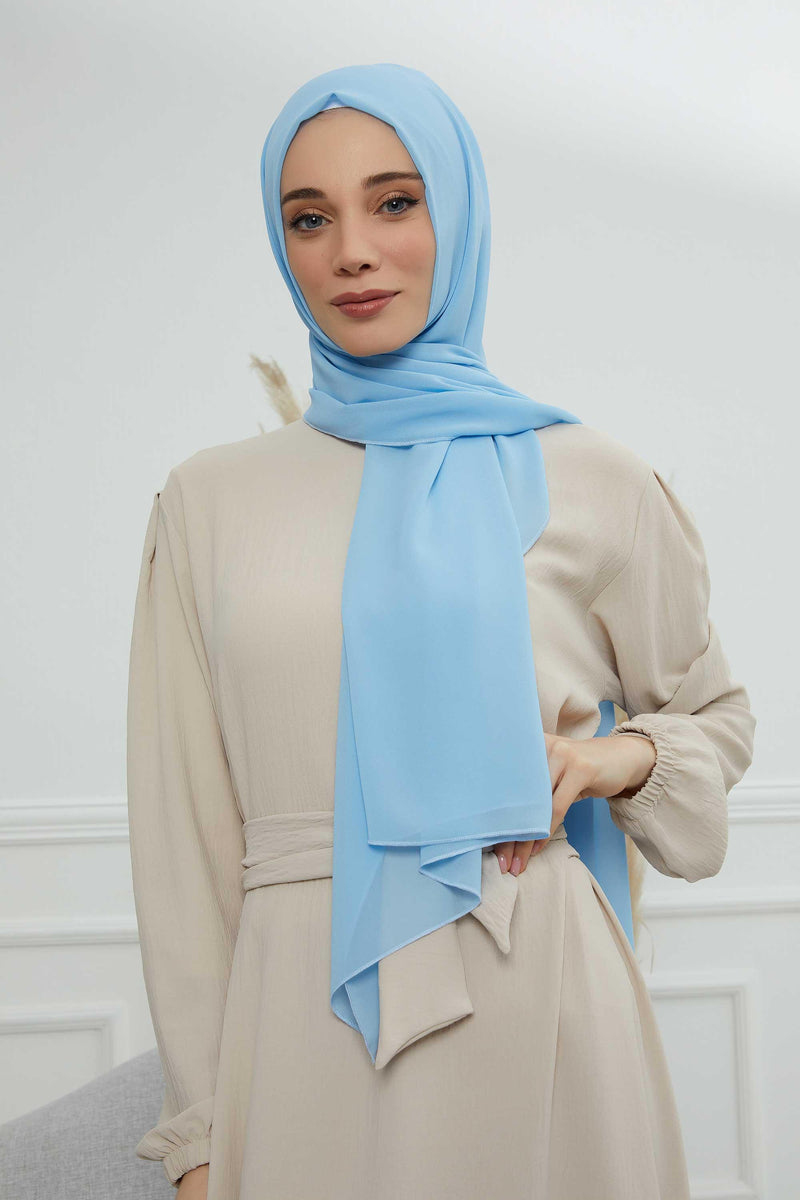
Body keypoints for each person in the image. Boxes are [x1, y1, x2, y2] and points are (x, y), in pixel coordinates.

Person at [126, 64, 757, 1200]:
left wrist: (610, 759)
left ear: (457, 216)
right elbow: (183, 833)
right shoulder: (207, 502)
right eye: (309, 219)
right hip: (299, 1027)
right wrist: (199, 1137)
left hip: (543, 991)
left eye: (395, 202)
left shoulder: (596, 479)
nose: (352, 252)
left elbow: (713, 717)